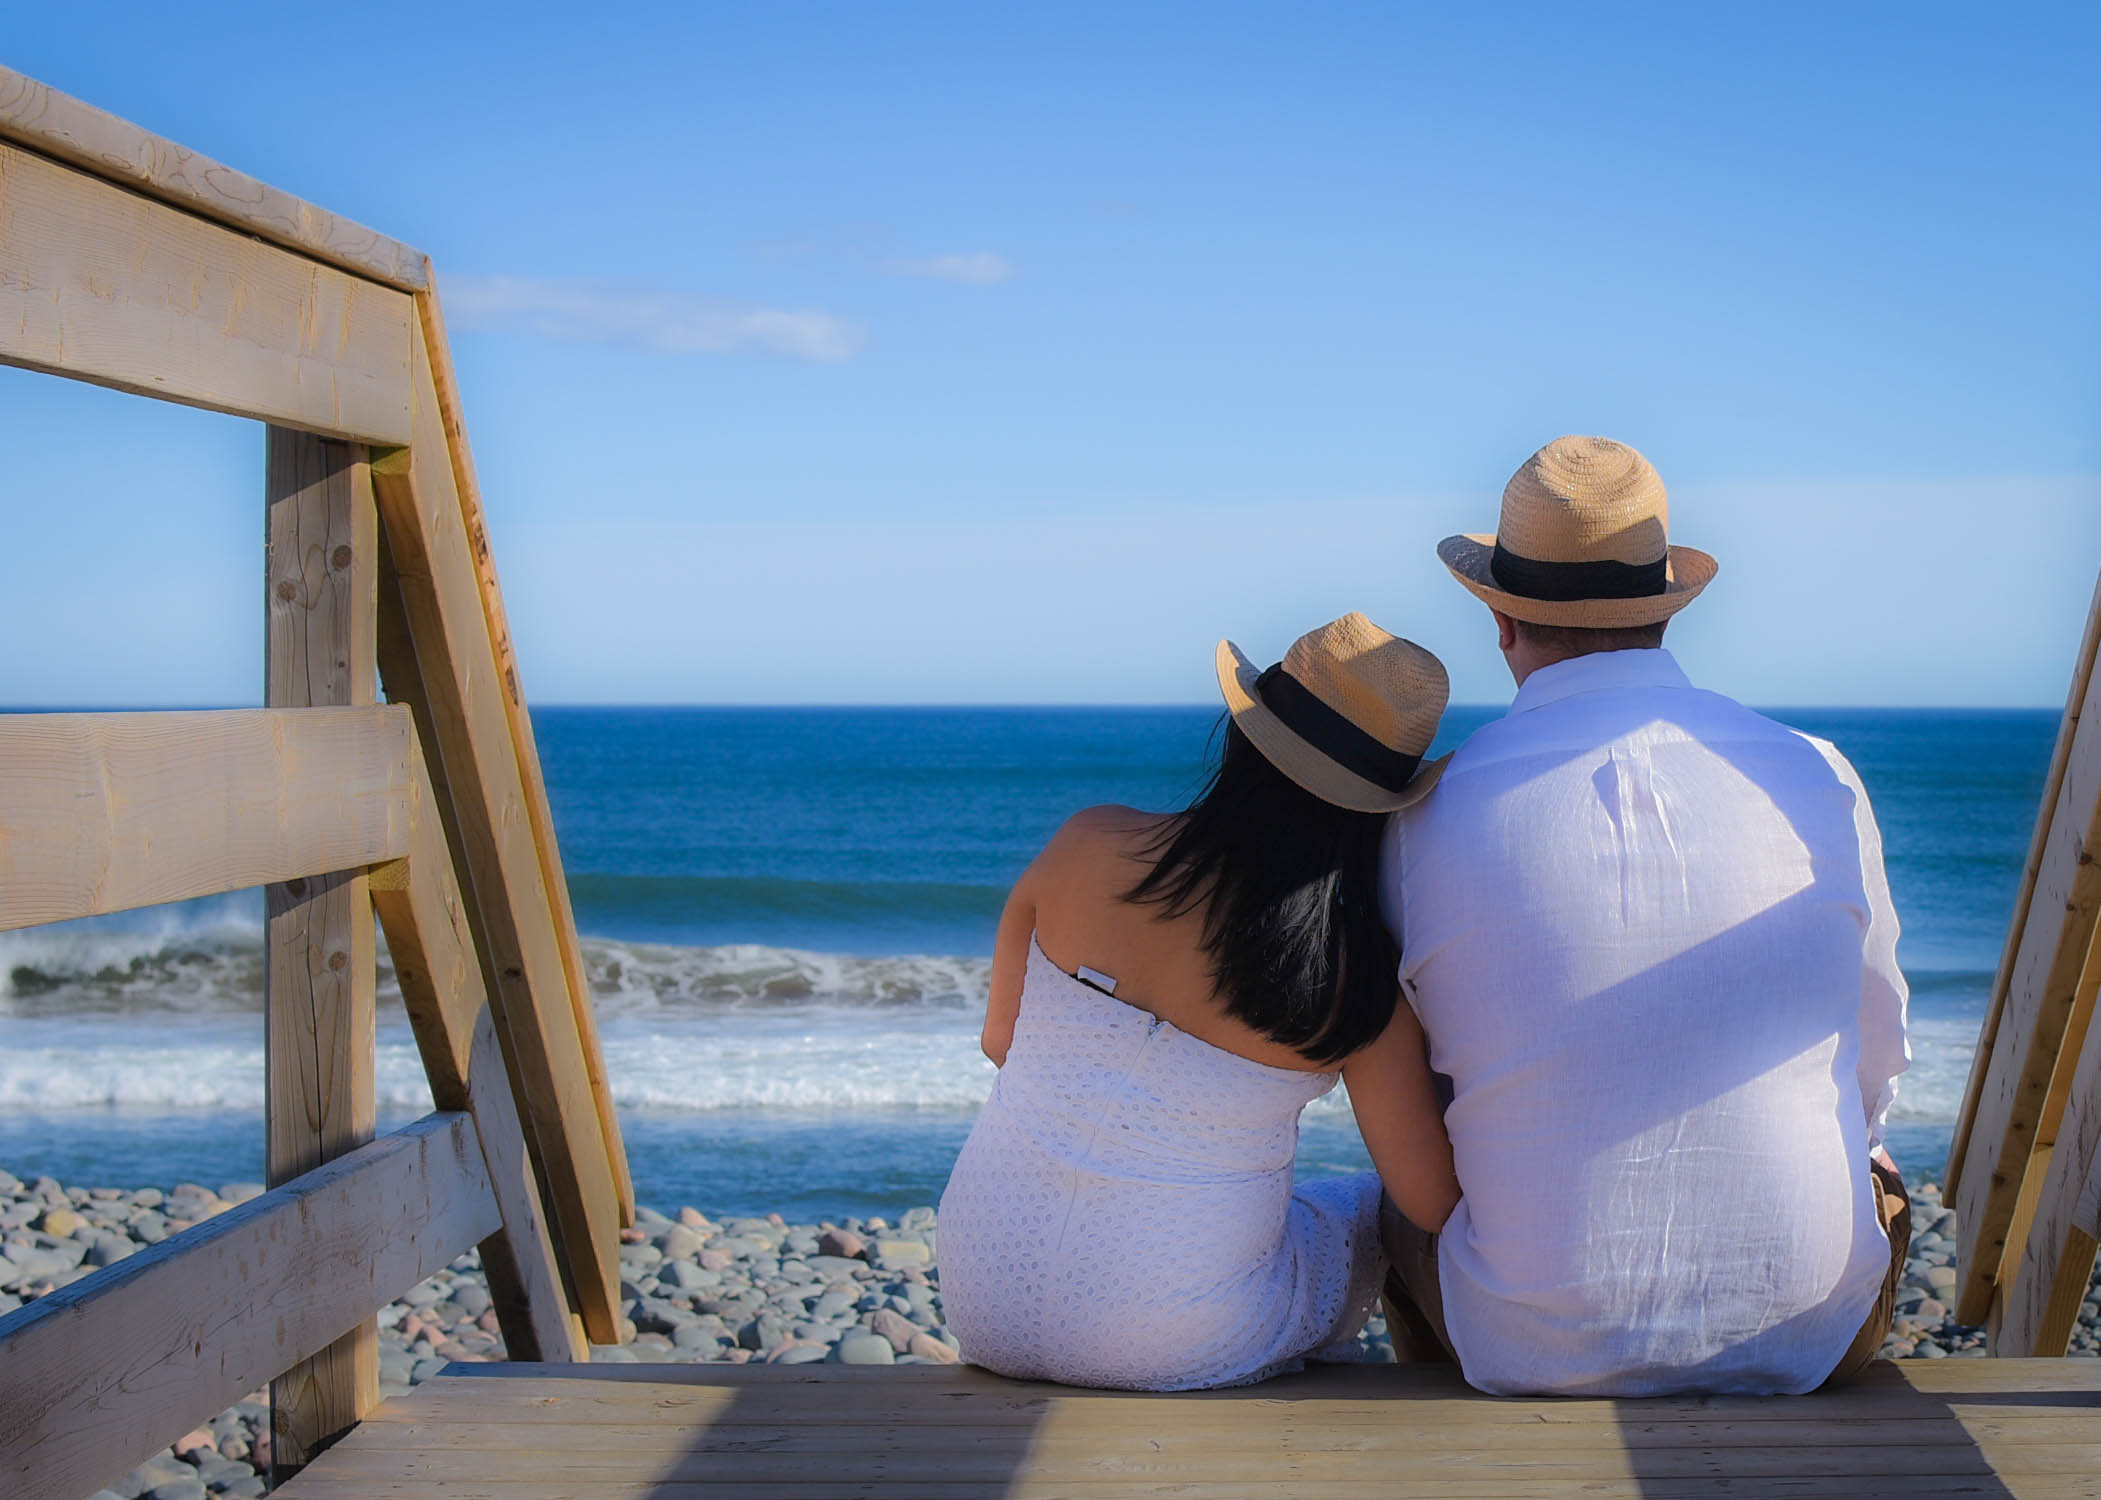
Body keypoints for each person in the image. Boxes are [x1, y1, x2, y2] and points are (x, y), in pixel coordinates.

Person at [1378, 435, 1912, 1395]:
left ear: (1499, 619)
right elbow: (1875, 1051)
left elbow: (1410, 1075)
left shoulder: (1421, 818)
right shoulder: (1816, 774)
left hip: (1527, 1343)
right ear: (1663, 610)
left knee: (1397, 1197)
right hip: (1811, 1333)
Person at [938, 613, 1462, 1390]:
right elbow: (1431, 1202)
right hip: (1175, 1342)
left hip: (983, 1302)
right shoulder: (1353, 978)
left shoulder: (1086, 843)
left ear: (1246, 733)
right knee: (1366, 1208)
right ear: (1381, 805)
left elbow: (1000, 1042)